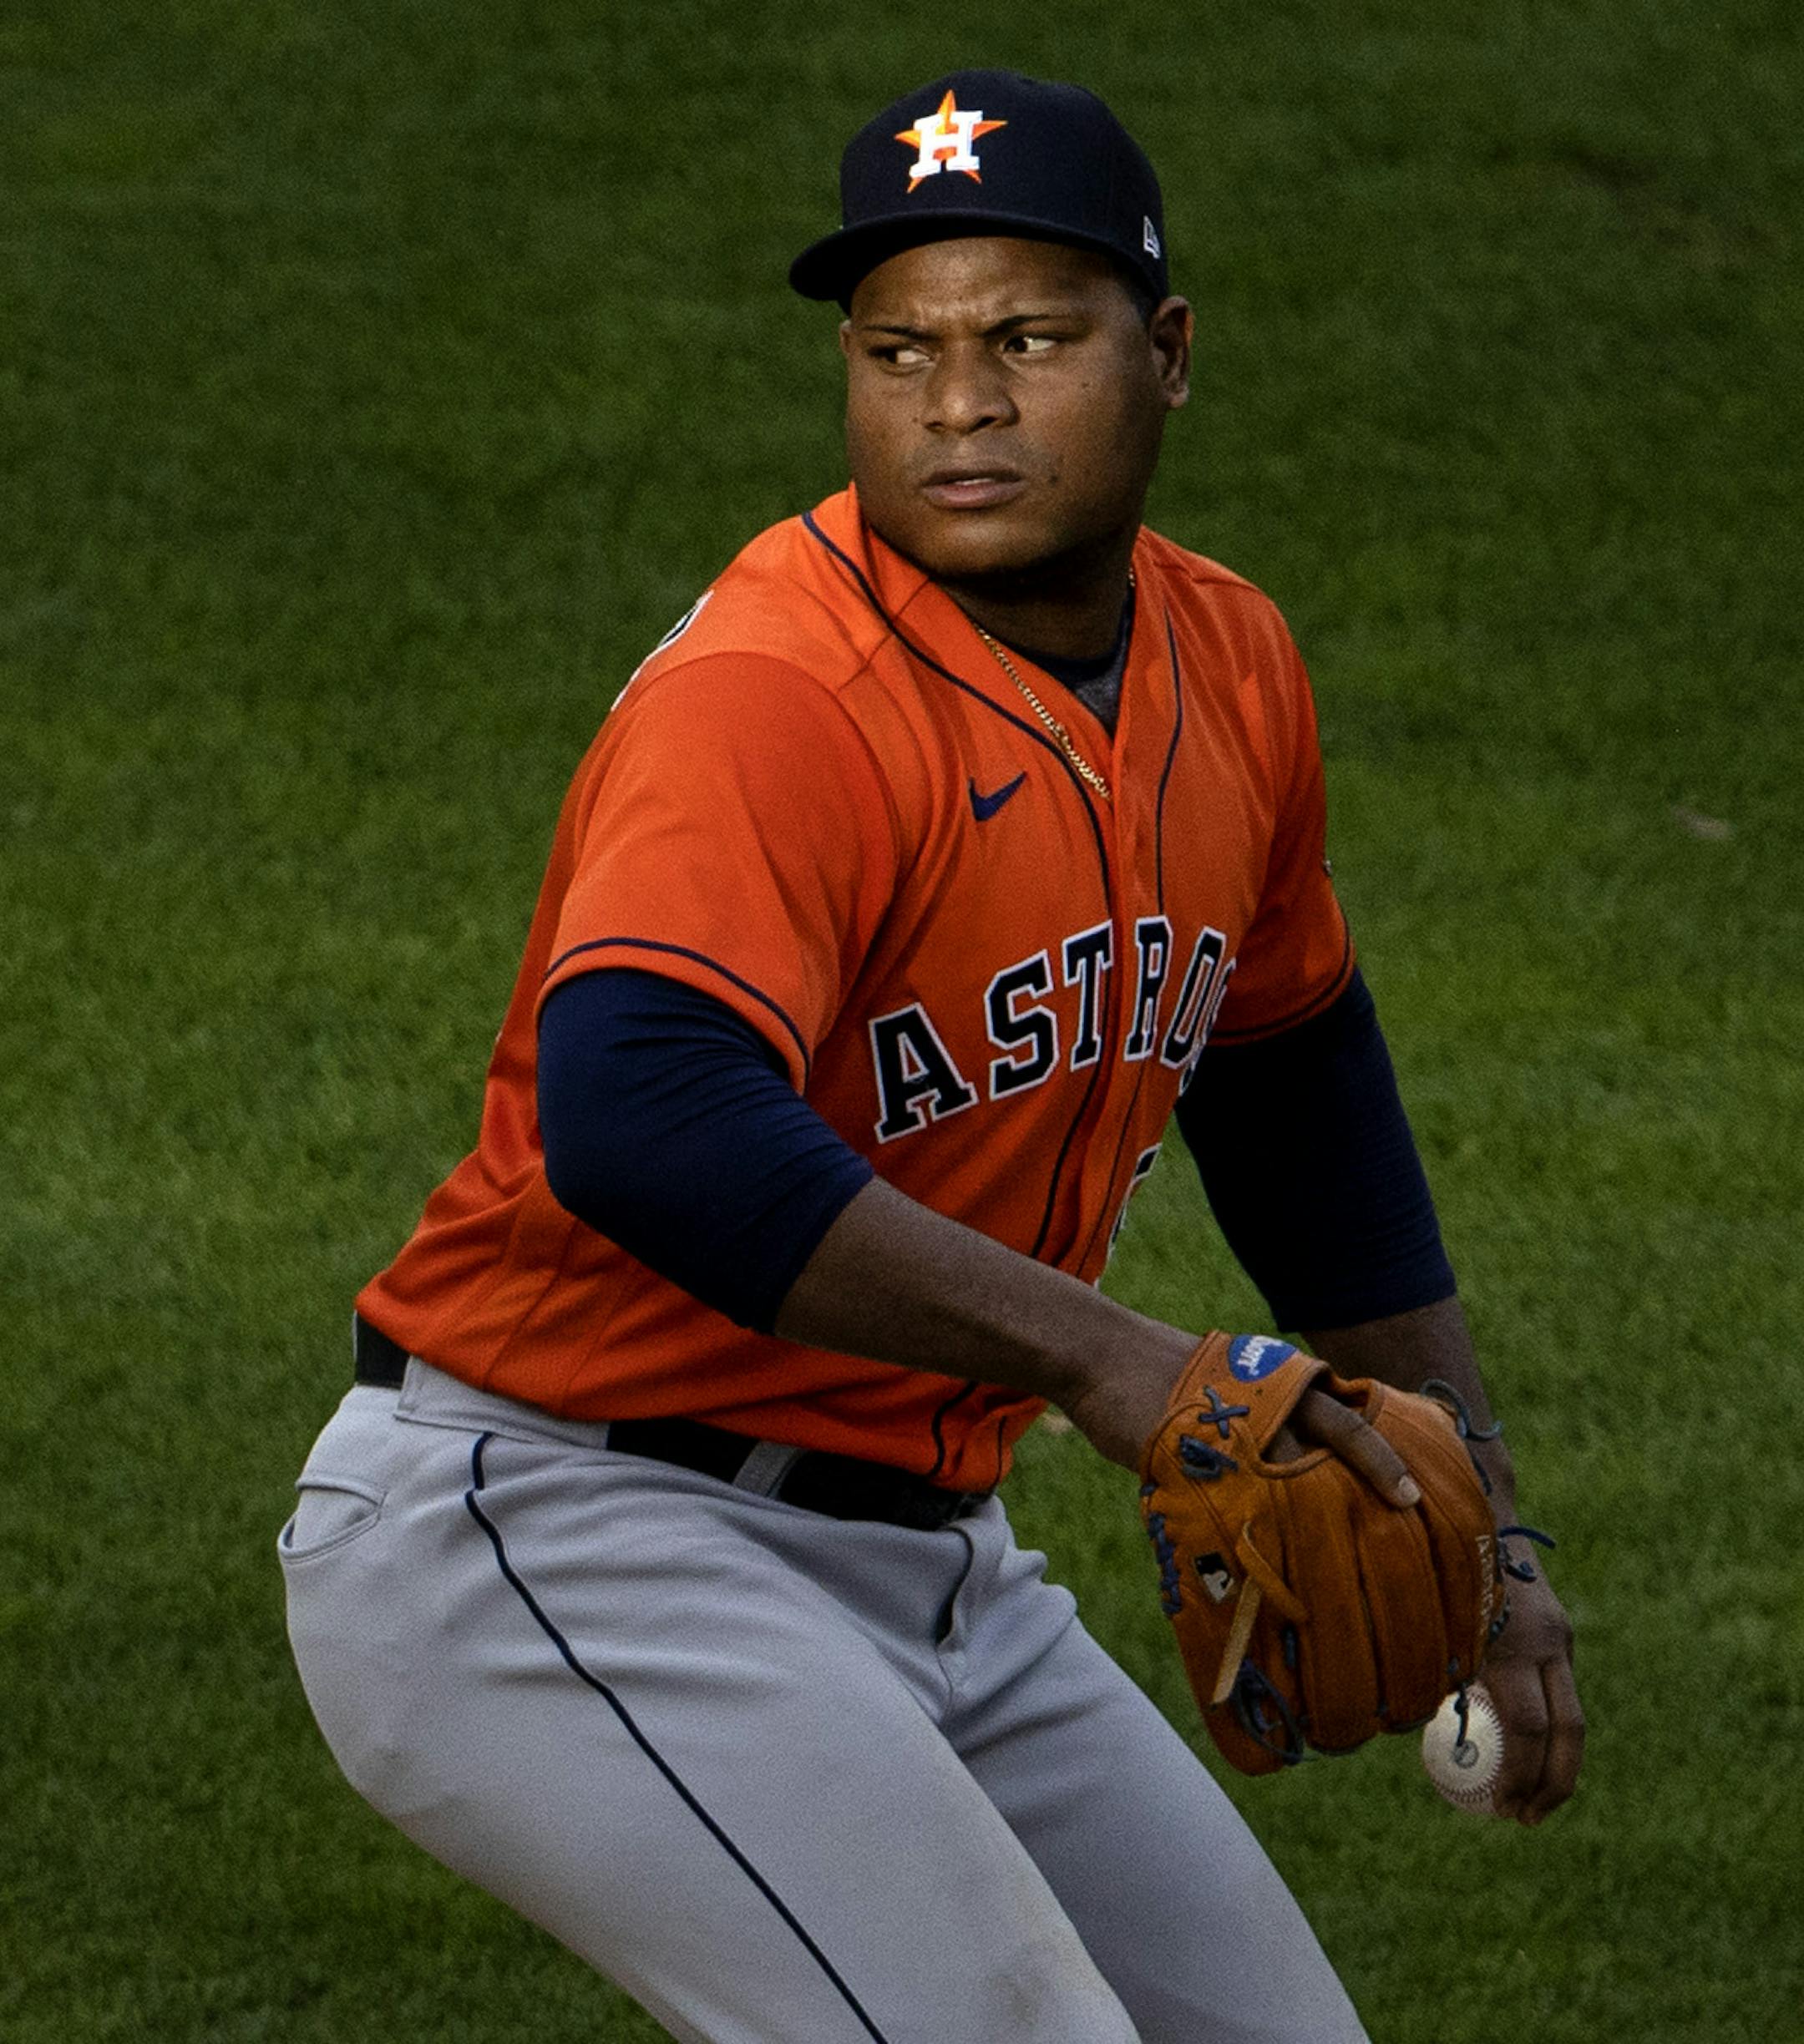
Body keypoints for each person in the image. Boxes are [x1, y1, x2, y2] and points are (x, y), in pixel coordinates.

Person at [279, 69, 1583, 2044]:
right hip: (558, 1530)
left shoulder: (1229, 662)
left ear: (1169, 353)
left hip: (933, 1562)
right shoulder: (776, 696)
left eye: (1031, 340)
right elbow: (641, 1116)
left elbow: (1298, 1085)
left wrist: (1477, 1517)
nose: (958, 403)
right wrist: (1115, 1361)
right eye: (901, 352)